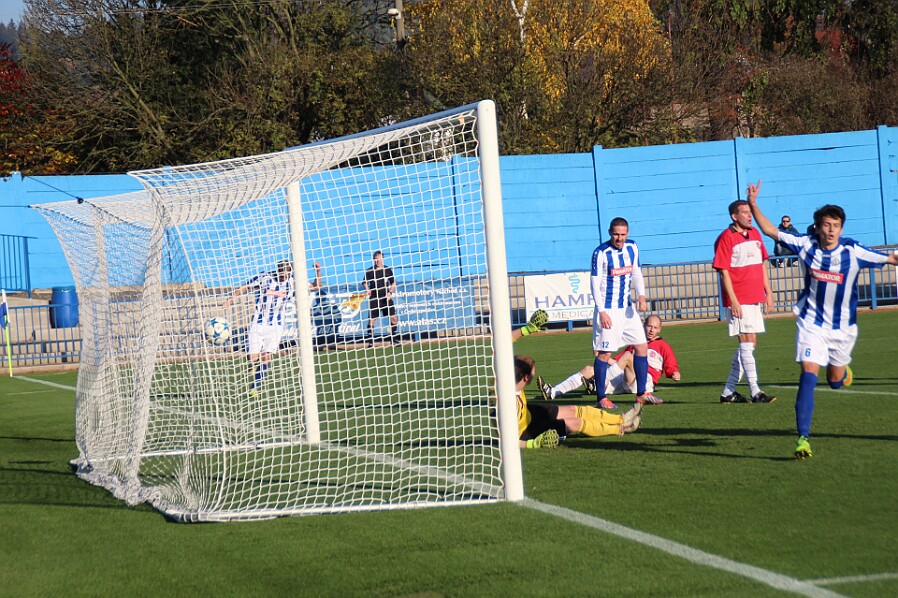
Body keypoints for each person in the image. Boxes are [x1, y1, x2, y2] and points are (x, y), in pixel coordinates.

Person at [747, 181, 898, 459]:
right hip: (810, 324)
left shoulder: (853, 251)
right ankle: (803, 438)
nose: (830, 230)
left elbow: (891, 258)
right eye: (826, 225)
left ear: (841, 228)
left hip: (843, 329)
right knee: (807, 375)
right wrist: (754, 203)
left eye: (836, 225)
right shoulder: (807, 245)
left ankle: (843, 373)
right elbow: (770, 230)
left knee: (835, 381)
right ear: (817, 227)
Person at [713, 194, 777, 404]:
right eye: (745, 213)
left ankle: (728, 392)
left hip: (754, 297)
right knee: (746, 344)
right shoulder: (726, 237)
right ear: (734, 216)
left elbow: (762, 265)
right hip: (739, 299)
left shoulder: (756, 233)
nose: (750, 216)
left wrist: (768, 292)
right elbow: (723, 271)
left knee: (749, 346)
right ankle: (756, 391)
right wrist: (733, 301)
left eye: (750, 212)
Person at [590, 217, 660, 409]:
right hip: (609, 310)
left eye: (622, 234)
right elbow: (595, 284)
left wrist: (642, 295)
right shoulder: (601, 253)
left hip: (627, 308)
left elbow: (636, 272)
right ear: (609, 232)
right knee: (605, 354)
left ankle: (641, 394)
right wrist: (602, 311)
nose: (619, 238)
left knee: (641, 346)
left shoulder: (632, 247)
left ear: (627, 233)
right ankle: (601, 398)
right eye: (615, 234)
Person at [224, 260, 322, 394]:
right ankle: (253, 365)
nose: (284, 278)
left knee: (267, 356)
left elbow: (315, 287)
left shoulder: (293, 282)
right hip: (258, 324)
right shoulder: (265, 278)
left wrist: (318, 271)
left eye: (286, 275)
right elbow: (245, 286)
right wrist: (231, 298)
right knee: (252, 357)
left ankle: (255, 387)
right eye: (281, 275)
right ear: (277, 271)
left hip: (276, 326)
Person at [538, 315, 680, 403]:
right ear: (643, 325)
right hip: (626, 378)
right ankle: (553, 392)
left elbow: (671, 365)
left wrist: (674, 373)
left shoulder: (663, 345)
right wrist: (603, 358)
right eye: (649, 326)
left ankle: (597, 383)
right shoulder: (635, 343)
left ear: (659, 329)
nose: (651, 330)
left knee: (629, 357)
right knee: (589, 369)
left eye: (655, 327)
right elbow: (617, 362)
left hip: (644, 382)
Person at [514, 356, 642, 448]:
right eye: (533, 373)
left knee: (573, 410)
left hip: (529, 413)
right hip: (526, 432)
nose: (534, 375)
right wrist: (532, 444)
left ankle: (621, 418)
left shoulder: (515, 385)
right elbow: (507, 441)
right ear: (526, 377)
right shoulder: (509, 405)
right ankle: (620, 428)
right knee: (576, 423)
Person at [362, 251, 399, 346]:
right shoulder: (370, 271)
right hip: (374, 298)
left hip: (385, 298)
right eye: (376, 258)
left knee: (394, 318)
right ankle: (371, 342)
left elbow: (393, 283)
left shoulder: (387, 270)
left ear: (382, 258)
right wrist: (368, 289)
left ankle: (393, 340)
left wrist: (390, 292)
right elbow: (364, 282)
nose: (378, 260)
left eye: (379, 258)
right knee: (372, 320)